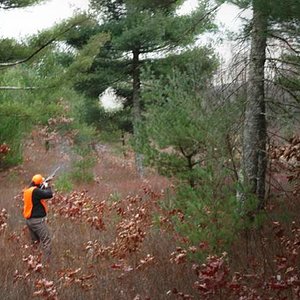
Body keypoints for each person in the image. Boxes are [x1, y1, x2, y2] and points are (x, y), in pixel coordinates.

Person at [23, 174, 53, 262]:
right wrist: (47, 186)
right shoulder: (36, 191)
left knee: (35, 243)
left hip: (29, 221)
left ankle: (33, 262)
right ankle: (47, 263)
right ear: (39, 183)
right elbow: (49, 194)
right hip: (37, 221)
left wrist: (44, 184)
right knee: (46, 240)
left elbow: (38, 194)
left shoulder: (28, 190)